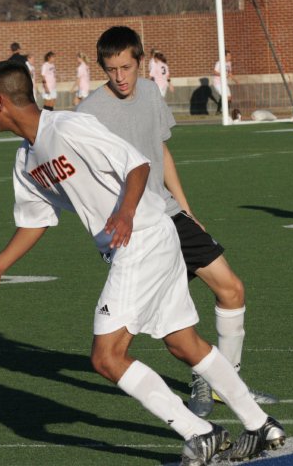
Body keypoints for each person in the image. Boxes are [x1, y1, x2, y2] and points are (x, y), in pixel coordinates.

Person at [0, 60, 285, 465]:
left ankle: (200, 433)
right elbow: (35, 221)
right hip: (144, 242)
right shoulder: (26, 160)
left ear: (0, 101)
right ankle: (260, 424)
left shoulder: (68, 127)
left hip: (143, 237)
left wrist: (127, 212)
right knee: (182, 343)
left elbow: (137, 163)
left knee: (106, 356)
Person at [77, 25, 278, 420]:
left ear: (140, 61)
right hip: (135, 232)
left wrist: (187, 210)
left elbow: (161, 152)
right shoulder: (88, 114)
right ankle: (197, 393)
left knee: (232, 289)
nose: (119, 77)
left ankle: (222, 383)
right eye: (111, 69)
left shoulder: (151, 92)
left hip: (169, 215)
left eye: (126, 67)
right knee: (143, 337)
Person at [212, 50, 237, 117]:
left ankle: (220, 111)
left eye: (230, 55)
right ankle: (225, 113)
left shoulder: (229, 63)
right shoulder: (219, 63)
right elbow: (214, 72)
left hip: (224, 83)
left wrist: (235, 80)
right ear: (225, 56)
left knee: (229, 98)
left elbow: (230, 73)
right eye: (229, 55)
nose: (230, 56)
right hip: (218, 83)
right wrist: (223, 74)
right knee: (225, 97)